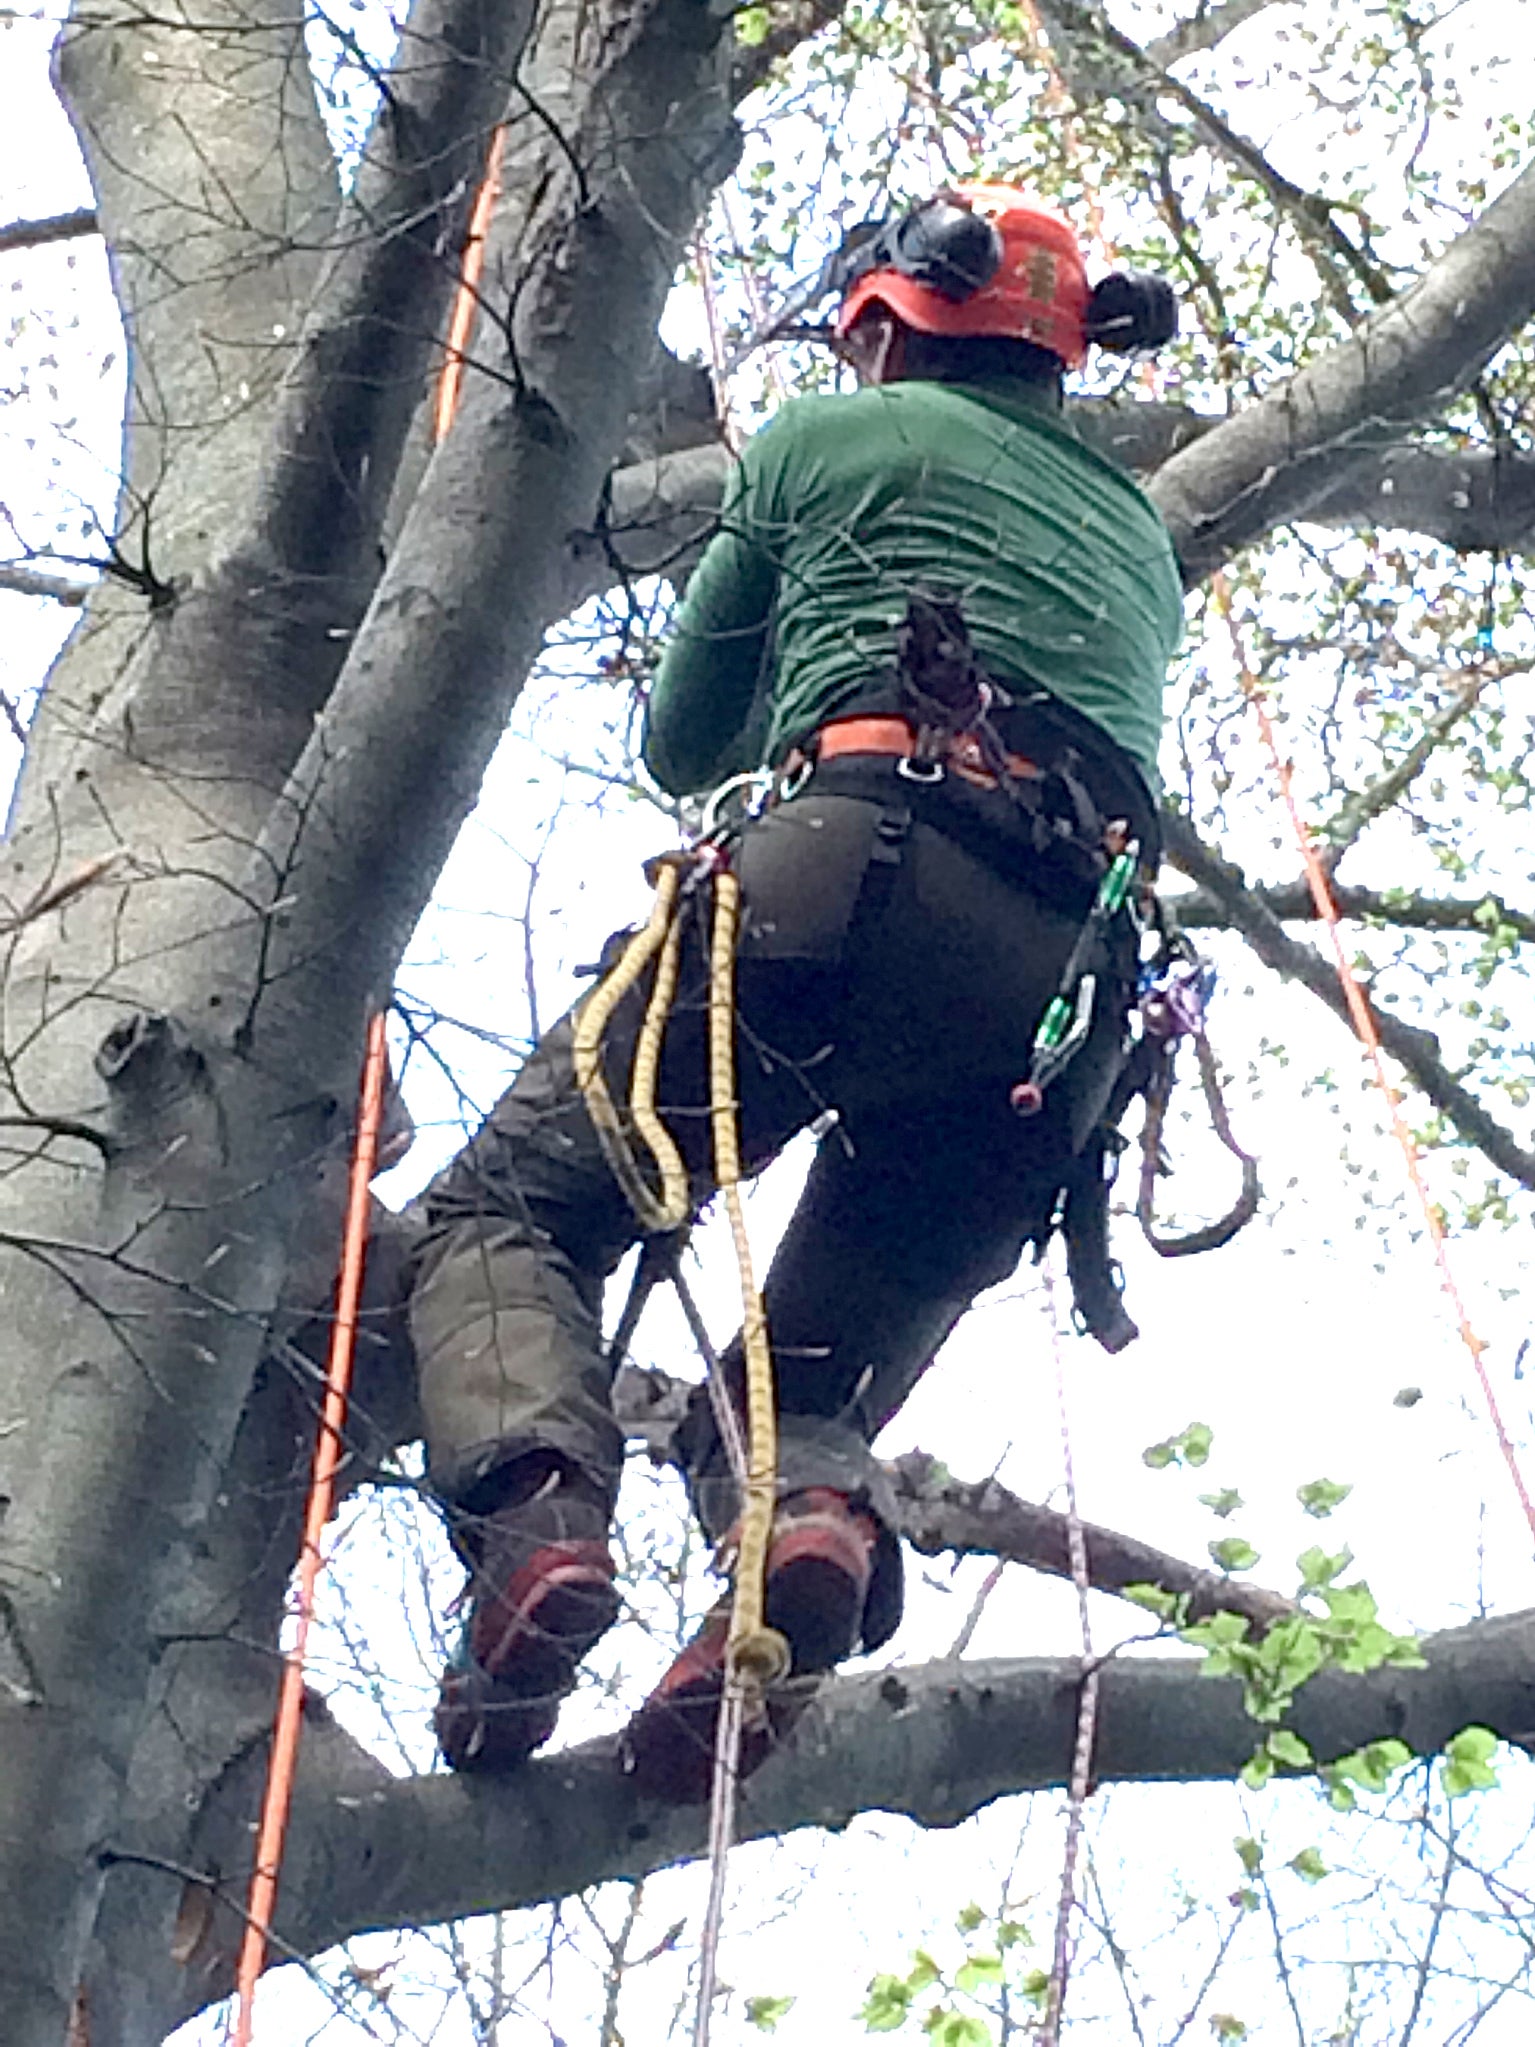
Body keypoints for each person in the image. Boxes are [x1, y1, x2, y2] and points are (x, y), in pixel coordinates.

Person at [405, 185, 1184, 1801]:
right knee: (810, 1373)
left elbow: (686, 743)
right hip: (1066, 1004)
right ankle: (803, 1533)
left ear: (891, 325)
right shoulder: (1138, 543)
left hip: (853, 870)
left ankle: (541, 1522)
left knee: (511, 1211)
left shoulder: (828, 441)